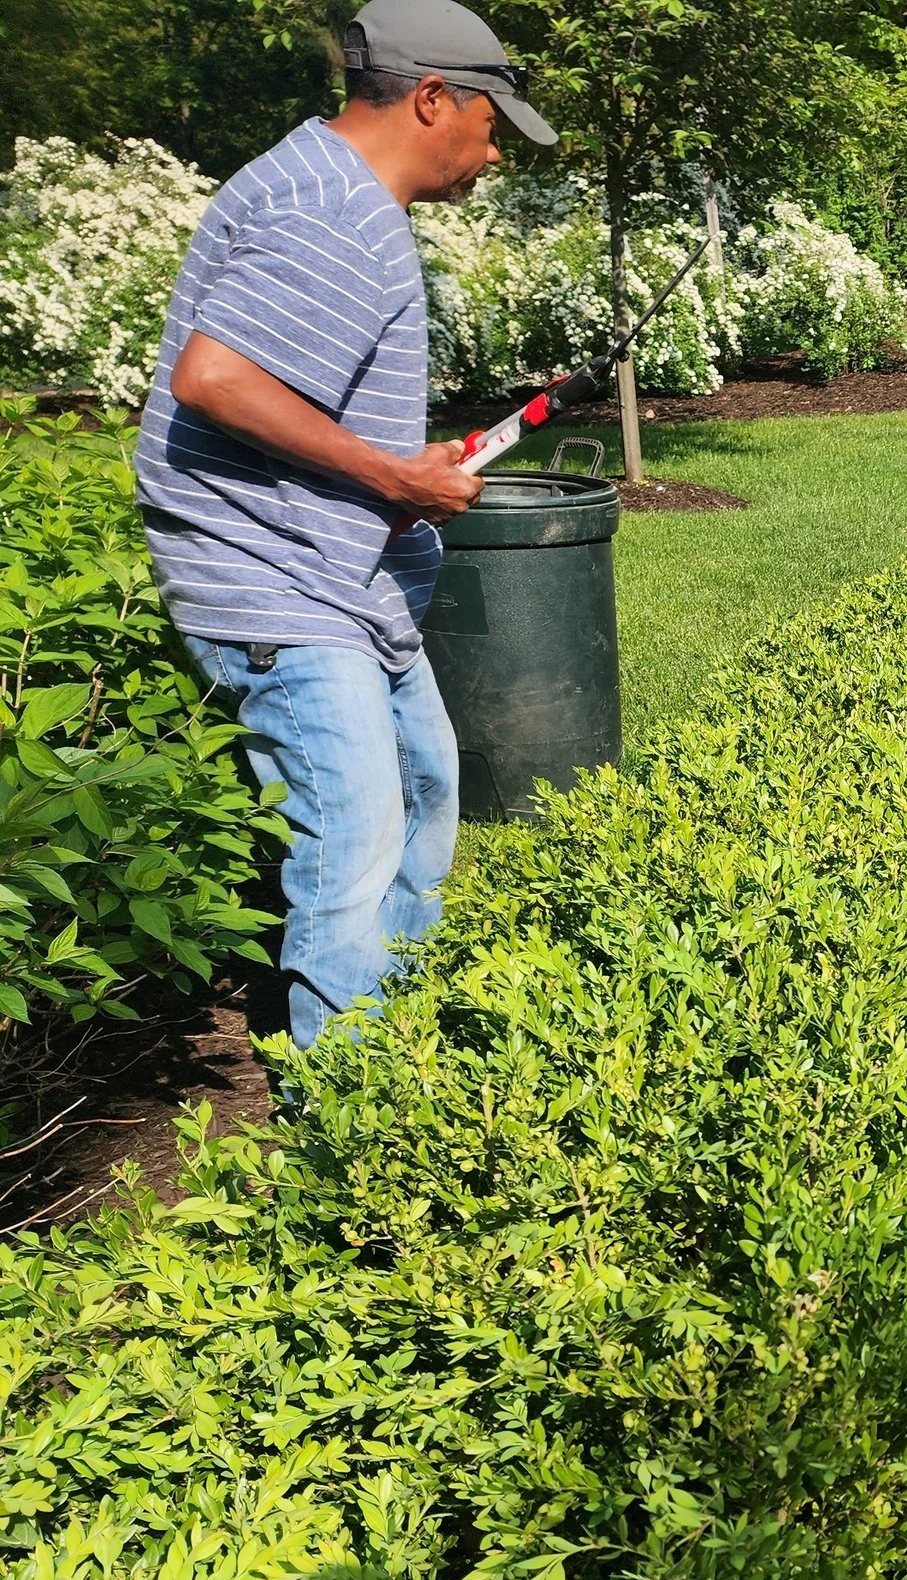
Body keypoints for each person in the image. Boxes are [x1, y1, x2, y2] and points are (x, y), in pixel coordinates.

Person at [133, 0, 556, 1049]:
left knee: (422, 796)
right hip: (276, 582)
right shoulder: (336, 208)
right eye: (491, 121)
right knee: (354, 845)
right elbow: (218, 379)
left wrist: (400, 471)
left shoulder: (317, 183)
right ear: (429, 98)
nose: (493, 150)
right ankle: (347, 1115)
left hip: (336, 576)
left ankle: (393, 1043)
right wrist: (392, 477)